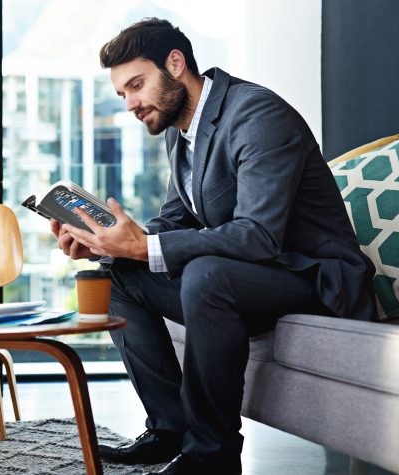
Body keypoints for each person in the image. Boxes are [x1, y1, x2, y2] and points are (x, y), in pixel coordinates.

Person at [51, 18, 376, 475]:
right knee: (120, 274)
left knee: (207, 275)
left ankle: (213, 453)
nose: (130, 104)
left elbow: (259, 236)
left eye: (136, 85)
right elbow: (173, 219)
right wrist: (108, 244)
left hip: (315, 278)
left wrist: (144, 247)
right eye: (123, 93)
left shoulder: (257, 115)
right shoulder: (178, 129)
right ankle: (169, 430)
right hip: (252, 279)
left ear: (176, 64)